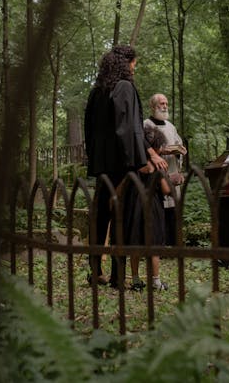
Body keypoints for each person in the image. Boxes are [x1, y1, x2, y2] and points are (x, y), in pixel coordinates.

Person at [84, 44, 167, 289]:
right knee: (120, 219)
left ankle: (96, 271)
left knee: (100, 219)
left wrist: (95, 160)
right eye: (133, 63)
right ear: (125, 63)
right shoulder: (125, 88)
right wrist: (138, 161)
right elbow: (129, 128)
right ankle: (117, 277)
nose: (134, 68)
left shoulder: (97, 91)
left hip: (102, 166)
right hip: (122, 165)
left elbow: (90, 131)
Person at [123, 124, 173, 291]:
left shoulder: (134, 164)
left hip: (134, 206)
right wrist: (173, 181)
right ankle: (156, 281)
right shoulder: (158, 166)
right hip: (153, 207)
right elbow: (166, 189)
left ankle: (136, 280)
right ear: (157, 147)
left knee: (135, 243)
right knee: (154, 245)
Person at [144, 93, 185, 246]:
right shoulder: (146, 125)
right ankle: (159, 244)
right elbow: (144, 151)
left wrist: (180, 151)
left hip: (172, 169)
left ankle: (173, 244)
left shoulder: (171, 126)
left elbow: (178, 143)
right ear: (153, 106)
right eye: (161, 103)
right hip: (156, 175)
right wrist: (160, 152)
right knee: (158, 210)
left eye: (166, 103)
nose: (165, 106)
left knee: (173, 210)